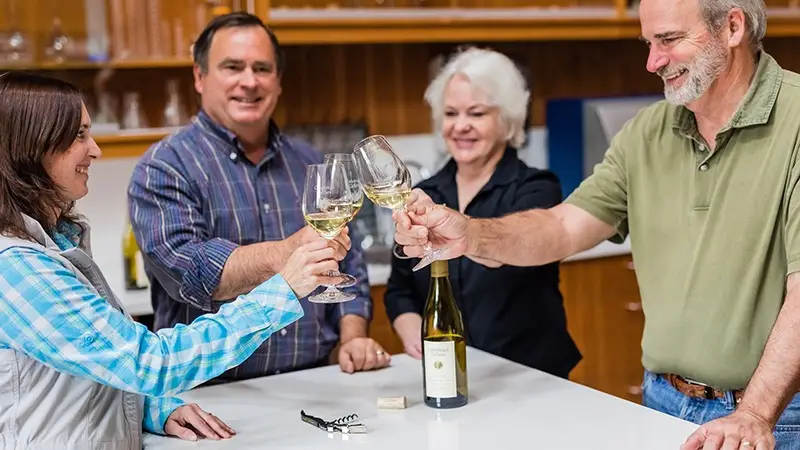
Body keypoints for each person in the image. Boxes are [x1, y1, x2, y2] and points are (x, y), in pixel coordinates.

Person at [394, 0, 800, 448]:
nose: (653, 62)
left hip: (775, 415)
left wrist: (756, 413)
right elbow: (563, 228)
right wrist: (470, 234)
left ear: (733, 27)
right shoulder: (646, 132)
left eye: (668, 40)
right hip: (663, 400)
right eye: (649, 43)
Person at [0, 71, 343, 448]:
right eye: (79, 135)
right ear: (31, 147)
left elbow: (90, 369)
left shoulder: (56, 245)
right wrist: (284, 288)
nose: (94, 149)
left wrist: (154, 409)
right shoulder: (18, 268)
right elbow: (148, 363)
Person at [127, 12, 388, 382]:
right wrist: (288, 252)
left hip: (314, 384)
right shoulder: (164, 167)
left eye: (262, 69)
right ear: (199, 78)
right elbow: (193, 272)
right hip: (211, 398)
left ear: (278, 82)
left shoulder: (310, 162)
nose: (249, 82)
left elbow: (352, 265)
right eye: (233, 67)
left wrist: (353, 337)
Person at [384, 47, 581, 379]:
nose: (460, 126)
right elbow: (400, 290)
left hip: (529, 378)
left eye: (476, 114)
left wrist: (469, 233)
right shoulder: (425, 195)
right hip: (448, 373)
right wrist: (410, 328)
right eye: (450, 114)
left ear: (506, 120)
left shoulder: (536, 189)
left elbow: (510, 254)